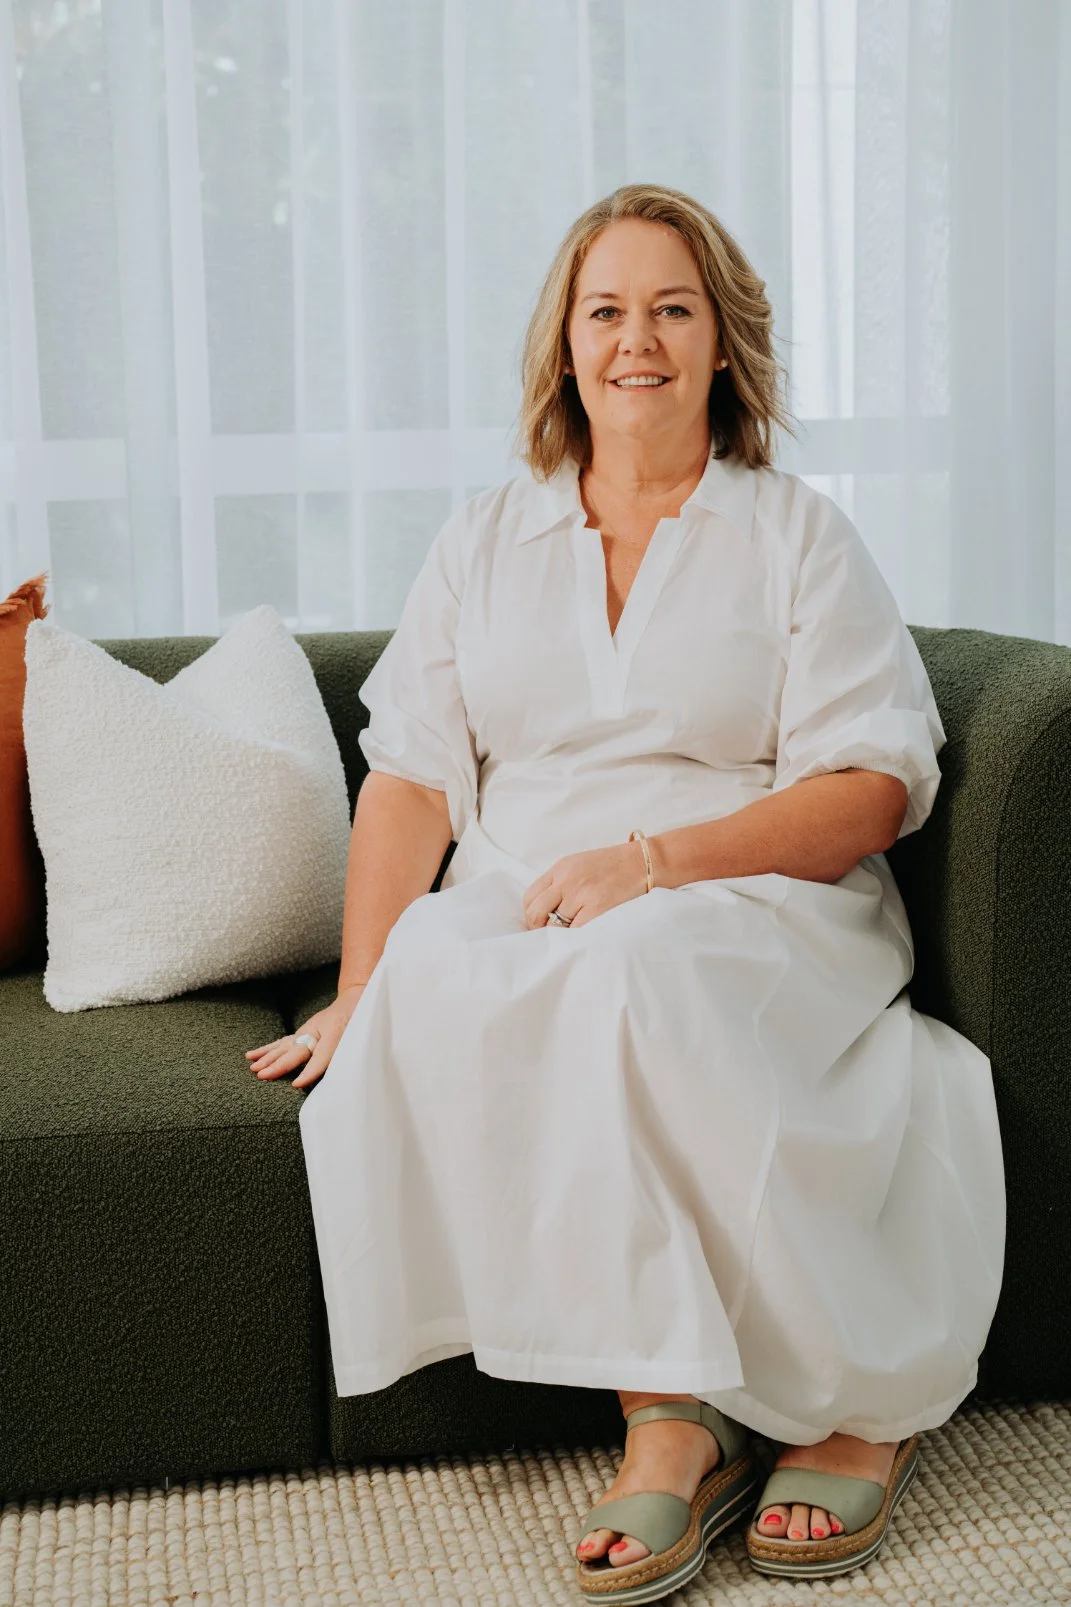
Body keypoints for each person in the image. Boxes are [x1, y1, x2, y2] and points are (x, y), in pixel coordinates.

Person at [245, 183, 1005, 1601]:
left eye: (671, 308)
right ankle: (670, 1420)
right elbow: (409, 777)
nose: (635, 339)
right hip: (535, 884)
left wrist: (655, 862)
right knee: (445, 975)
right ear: (563, 342)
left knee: (629, 973)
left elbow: (872, 787)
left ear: (723, 344)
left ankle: (855, 1400)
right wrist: (360, 988)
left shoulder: (796, 535)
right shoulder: (484, 537)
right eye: (606, 310)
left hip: (762, 893)